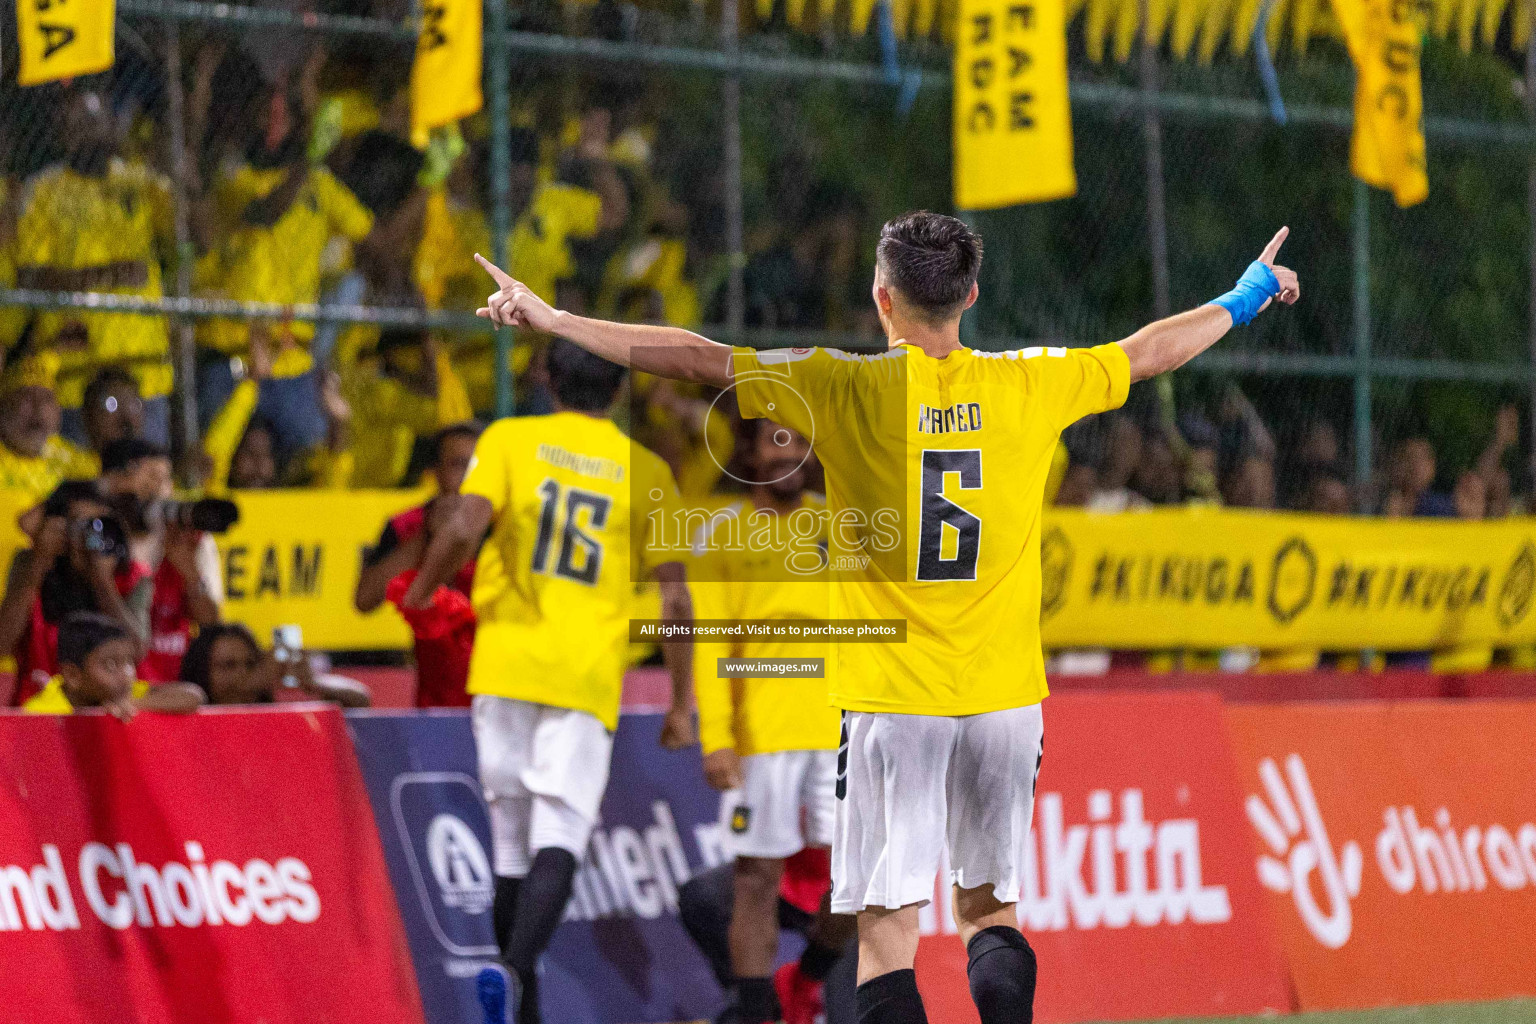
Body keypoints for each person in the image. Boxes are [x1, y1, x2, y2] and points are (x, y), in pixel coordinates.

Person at [472, 213, 1299, 1024]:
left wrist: (554, 318)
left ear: (883, 298)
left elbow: (693, 357)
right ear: (970, 295)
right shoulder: (1034, 380)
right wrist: (1250, 289)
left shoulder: (840, 383)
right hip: (1005, 698)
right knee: (989, 915)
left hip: (892, 701)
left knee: (887, 935)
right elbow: (1150, 351)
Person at [403, 339, 696, 1024]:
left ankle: (517, 1009)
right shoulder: (648, 470)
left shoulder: (509, 440)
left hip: (504, 665)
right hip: (584, 674)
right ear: (619, 393)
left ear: (548, 380)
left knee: (510, 847)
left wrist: (422, 588)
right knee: (558, 839)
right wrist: (682, 700)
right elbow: (678, 600)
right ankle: (508, 971)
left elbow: (462, 530)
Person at [690, 419, 850, 1024]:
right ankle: (762, 1013)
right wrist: (717, 739)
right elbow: (710, 644)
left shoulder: (839, 526)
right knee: (755, 884)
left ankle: (805, 979)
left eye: (804, 443)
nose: (793, 455)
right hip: (766, 735)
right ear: (750, 452)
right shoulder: (720, 534)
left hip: (841, 732)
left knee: (860, 885)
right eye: (778, 439)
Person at [14, 90, 175, 445]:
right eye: (77, 126)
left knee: (145, 481)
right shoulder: (42, 189)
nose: (89, 134)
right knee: (80, 491)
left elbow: (194, 237)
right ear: (61, 135)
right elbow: (29, 277)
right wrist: (106, 275)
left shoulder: (140, 179)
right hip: (74, 378)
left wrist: (179, 170)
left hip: (143, 372)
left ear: (112, 126)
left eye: (95, 123)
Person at [355, 422, 483, 707]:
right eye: (458, 465)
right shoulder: (406, 526)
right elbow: (365, 599)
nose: (470, 477)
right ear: (435, 472)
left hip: (503, 699)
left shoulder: (505, 527)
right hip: (436, 701)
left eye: (478, 466)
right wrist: (428, 537)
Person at [0, 481, 151, 706]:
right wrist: (39, 561)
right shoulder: (31, 563)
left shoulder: (132, 575)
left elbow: (137, 651)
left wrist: (102, 581)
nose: (93, 536)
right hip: (39, 708)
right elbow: (3, 643)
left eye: (102, 525)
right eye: (83, 525)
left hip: (110, 710)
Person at [98, 438, 224, 681]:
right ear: (112, 485)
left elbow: (211, 625)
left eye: (163, 480)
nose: (156, 491)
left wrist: (189, 571)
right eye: (147, 479)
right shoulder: (96, 537)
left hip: (172, 689)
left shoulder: (193, 540)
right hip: (109, 688)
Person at [22, 611, 204, 718]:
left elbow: (193, 696)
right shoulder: (39, 713)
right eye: (110, 664)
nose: (126, 673)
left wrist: (133, 704)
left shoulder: (124, 694)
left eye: (129, 662)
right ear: (73, 675)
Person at [179, 622, 370, 707]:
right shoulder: (186, 711)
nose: (244, 672)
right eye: (228, 665)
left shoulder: (270, 715)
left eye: (251, 664)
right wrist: (252, 681)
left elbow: (360, 698)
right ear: (201, 670)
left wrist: (312, 681)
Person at [0, 354, 98, 506]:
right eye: (26, 397)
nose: (38, 407)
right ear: (3, 407)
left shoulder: (79, 467)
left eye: (47, 398)